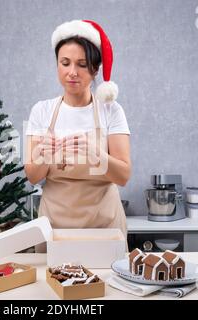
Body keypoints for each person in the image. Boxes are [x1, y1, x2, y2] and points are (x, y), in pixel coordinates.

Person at [25, 20, 131, 242]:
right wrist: (45, 155)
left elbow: (123, 176)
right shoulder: (42, 111)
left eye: (82, 64)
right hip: (54, 225)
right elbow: (33, 177)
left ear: (95, 69)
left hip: (104, 224)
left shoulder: (111, 110)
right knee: (53, 277)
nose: (72, 72)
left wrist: (96, 154)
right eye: (65, 63)